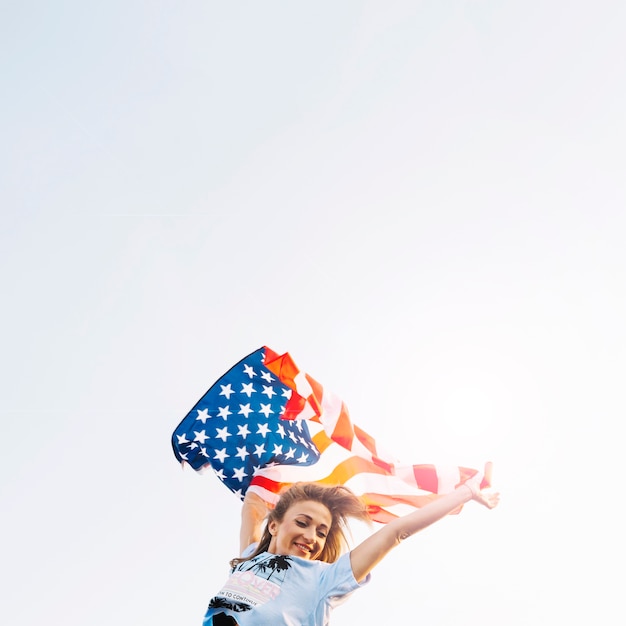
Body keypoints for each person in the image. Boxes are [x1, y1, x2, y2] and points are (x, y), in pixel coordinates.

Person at [203, 468, 500, 626]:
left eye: (322, 532)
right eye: (303, 523)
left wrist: (464, 493)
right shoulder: (249, 559)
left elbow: (396, 532)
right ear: (274, 526)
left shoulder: (324, 578)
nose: (312, 537)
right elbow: (252, 508)